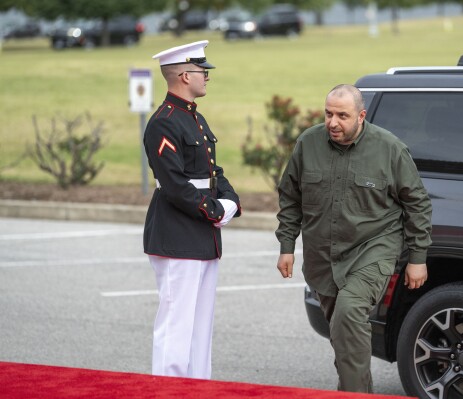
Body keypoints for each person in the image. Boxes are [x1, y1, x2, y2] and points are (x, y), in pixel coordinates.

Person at [275, 84, 432, 393]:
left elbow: (417, 203)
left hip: (373, 249)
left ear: (361, 116)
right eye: (328, 113)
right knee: (343, 334)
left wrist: (418, 258)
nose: (333, 122)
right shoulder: (308, 144)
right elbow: (290, 197)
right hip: (324, 258)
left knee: (349, 311)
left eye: (342, 116)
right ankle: (353, 387)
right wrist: (287, 246)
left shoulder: (389, 149)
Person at [143, 40, 241, 379]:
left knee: (200, 327)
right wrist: (215, 210)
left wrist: (231, 200)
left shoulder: (192, 118)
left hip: (200, 233)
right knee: (176, 325)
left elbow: (212, 172)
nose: (207, 77)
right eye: (202, 71)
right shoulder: (164, 122)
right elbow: (175, 185)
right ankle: (168, 388)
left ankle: (199, 387)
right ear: (184, 75)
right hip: (177, 233)